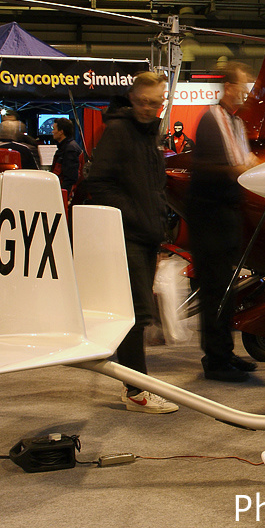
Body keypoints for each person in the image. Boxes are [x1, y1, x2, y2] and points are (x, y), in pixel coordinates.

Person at [83, 72, 178, 414]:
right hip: (130, 237)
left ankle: (136, 387)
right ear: (133, 99)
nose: (148, 108)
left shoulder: (147, 135)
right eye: (142, 102)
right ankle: (136, 391)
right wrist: (134, 216)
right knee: (136, 316)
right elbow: (99, 182)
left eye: (154, 103)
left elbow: (152, 185)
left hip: (146, 236)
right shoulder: (120, 131)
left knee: (138, 314)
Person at [188, 62, 259, 383]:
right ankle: (215, 360)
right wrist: (241, 170)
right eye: (242, 88)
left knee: (228, 290)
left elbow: (243, 163)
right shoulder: (212, 118)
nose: (245, 94)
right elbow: (224, 166)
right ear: (228, 87)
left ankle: (225, 352)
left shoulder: (236, 123)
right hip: (210, 217)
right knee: (215, 290)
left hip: (227, 214)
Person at [49, 117, 83, 192]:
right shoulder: (66, 147)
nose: (52, 132)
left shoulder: (70, 149)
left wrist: (63, 195)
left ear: (61, 132)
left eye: (54, 129)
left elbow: (70, 178)